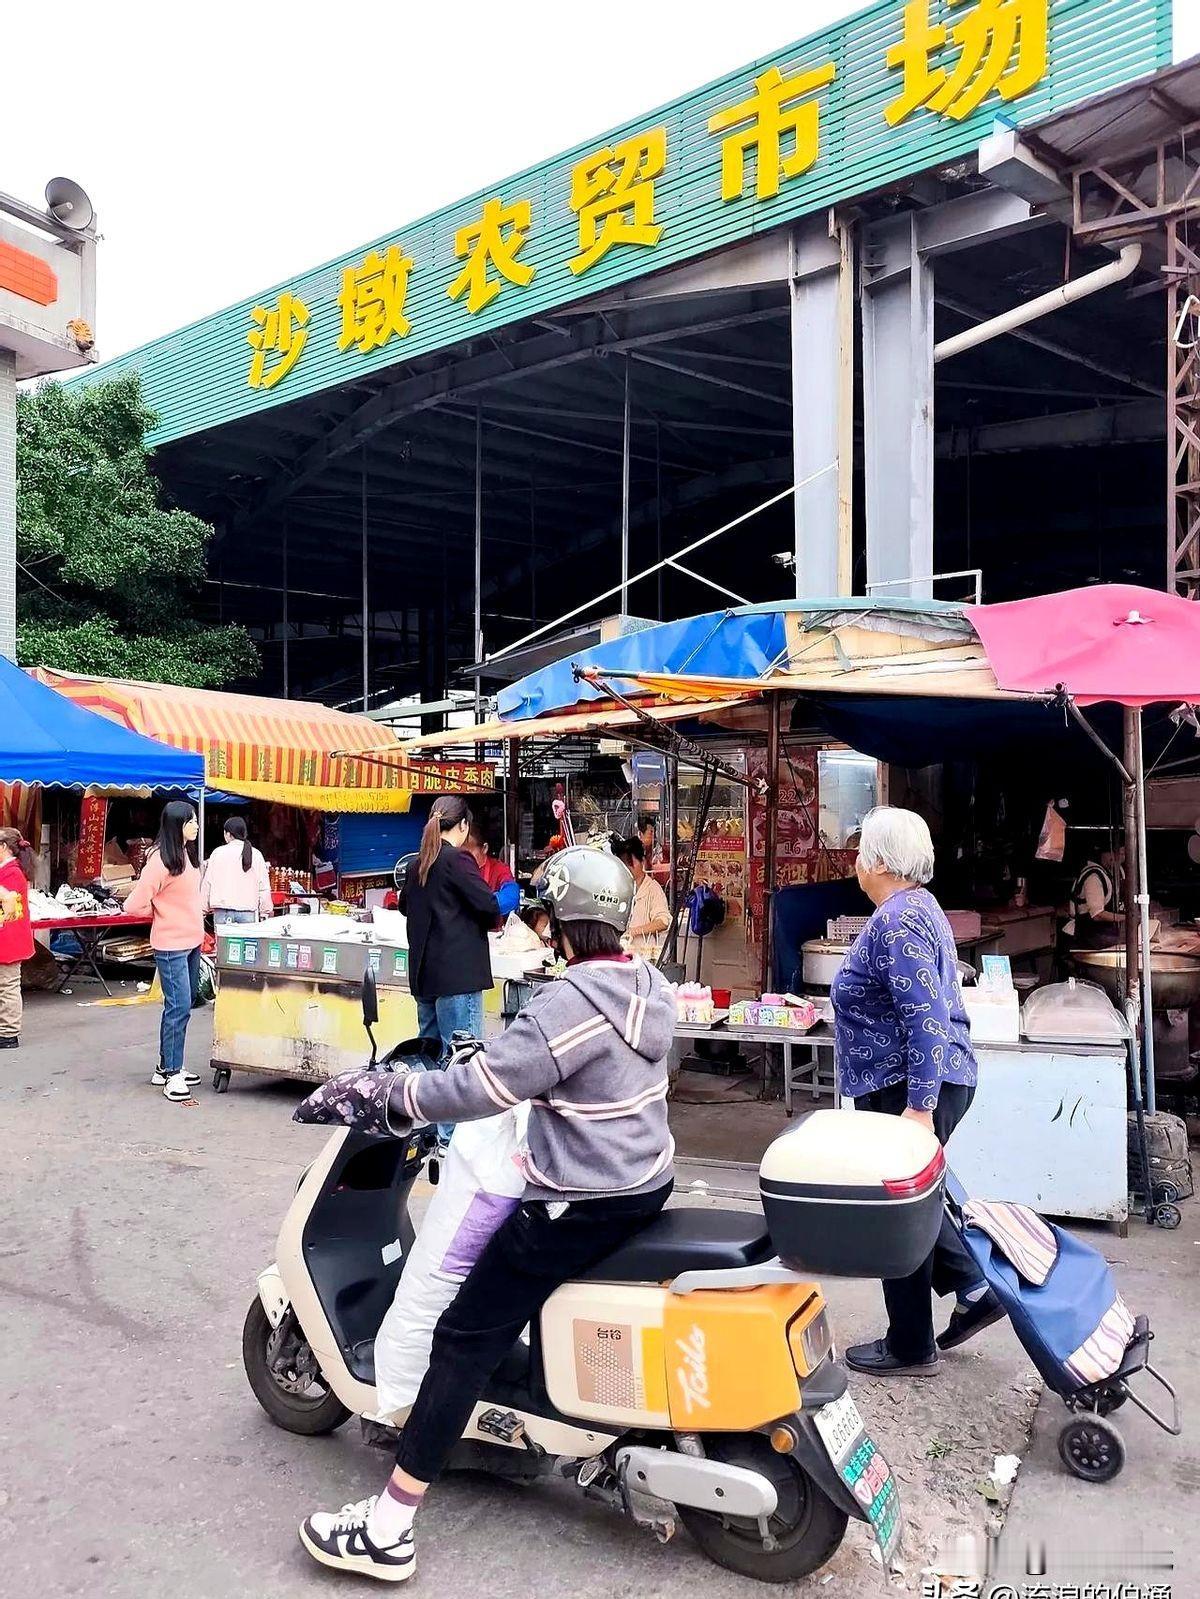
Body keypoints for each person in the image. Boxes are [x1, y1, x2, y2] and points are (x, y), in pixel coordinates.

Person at [294, 846, 676, 1583]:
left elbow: (485, 1089)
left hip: (581, 1200)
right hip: (644, 1178)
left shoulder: (570, 1002)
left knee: (463, 1334)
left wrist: (389, 1096)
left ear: (560, 924)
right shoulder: (646, 982)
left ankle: (389, 1526)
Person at [831, 806, 1001, 1377]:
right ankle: (973, 1288)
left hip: (908, 1087)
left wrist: (919, 1108)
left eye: (860, 850)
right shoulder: (915, 908)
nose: (854, 860)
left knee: (896, 1214)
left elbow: (924, 1017)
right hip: (915, 1080)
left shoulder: (898, 920)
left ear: (878, 860)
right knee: (917, 1204)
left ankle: (911, 1343)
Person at [397, 796, 500, 1061]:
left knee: (427, 1060)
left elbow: (405, 907)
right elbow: (488, 905)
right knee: (462, 1062)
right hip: (457, 977)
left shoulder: (415, 865)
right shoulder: (458, 860)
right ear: (463, 825)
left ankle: (428, 1105)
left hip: (424, 977)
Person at [125, 801, 204, 1104]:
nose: (196, 826)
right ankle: (172, 1074)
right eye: (191, 821)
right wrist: (158, 910)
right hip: (170, 944)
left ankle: (166, 1065)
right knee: (178, 1006)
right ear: (177, 825)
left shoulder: (186, 854)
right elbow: (133, 904)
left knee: (185, 1005)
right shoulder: (159, 861)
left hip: (193, 940)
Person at [200, 816, 273, 925]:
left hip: (222, 913)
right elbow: (263, 887)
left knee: (222, 943)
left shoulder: (217, 853)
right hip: (247, 914)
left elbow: (207, 883)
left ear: (228, 834)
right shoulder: (256, 854)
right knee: (247, 943)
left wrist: (202, 910)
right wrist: (265, 911)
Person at [0, 828, 36, 1048]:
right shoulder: (8, 870)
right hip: (7, 937)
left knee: (8, 985)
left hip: (9, 938)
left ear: (4, 847)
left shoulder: (12, 872)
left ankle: (8, 1032)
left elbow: (9, 907)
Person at [612, 835, 671, 959]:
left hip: (644, 958)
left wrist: (633, 931)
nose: (627, 869)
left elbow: (663, 922)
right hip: (618, 957)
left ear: (642, 861)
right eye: (623, 865)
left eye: (630, 863)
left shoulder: (652, 888)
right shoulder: (616, 888)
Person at [464, 821, 521, 920]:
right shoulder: (454, 869)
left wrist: (481, 903)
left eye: (468, 852)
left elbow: (512, 896)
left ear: (484, 848)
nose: (463, 857)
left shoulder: (499, 869)